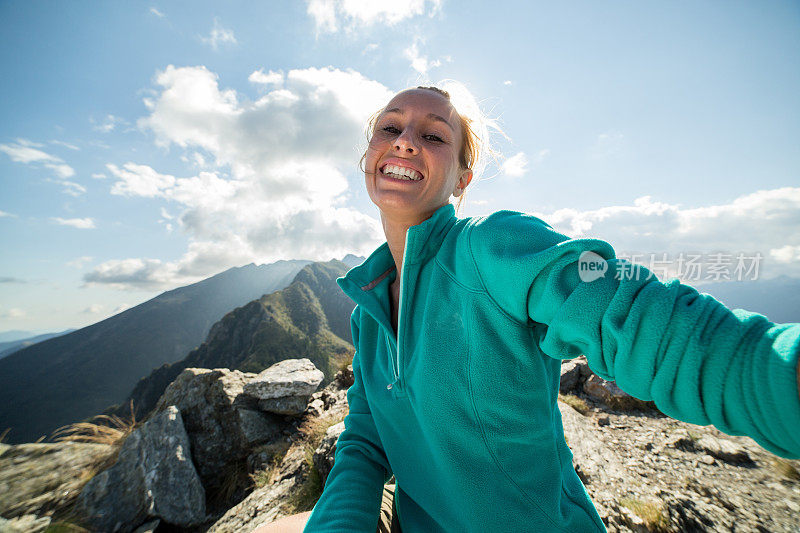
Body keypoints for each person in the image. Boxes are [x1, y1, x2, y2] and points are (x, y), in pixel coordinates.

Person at [254, 85, 800, 533]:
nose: (404, 143)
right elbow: (366, 440)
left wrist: (775, 372)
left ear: (462, 179)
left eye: (433, 136)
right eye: (390, 128)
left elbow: (632, 318)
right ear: (367, 156)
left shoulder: (492, 248)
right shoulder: (366, 310)